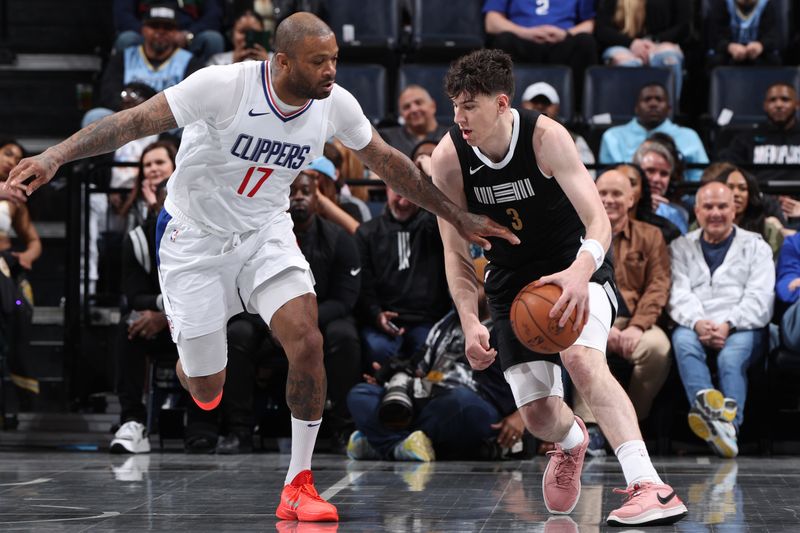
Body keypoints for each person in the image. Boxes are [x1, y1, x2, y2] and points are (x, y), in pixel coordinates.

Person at [4, 12, 515, 523]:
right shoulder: (222, 86)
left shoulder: (333, 104)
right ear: (283, 61)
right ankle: (194, 355)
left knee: (308, 340)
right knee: (206, 390)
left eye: (335, 59)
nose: (331, 71)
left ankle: (299, 482)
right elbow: (131, 123)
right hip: (195, 241)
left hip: (264, 233)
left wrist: (459, 216)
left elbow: (388, 161)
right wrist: (54, 157)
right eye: (319, 62)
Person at [429, 49, 686, 526]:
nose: (459, 116)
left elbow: (598, 221)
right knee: (539, 417)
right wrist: (468, 320)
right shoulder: (447, 159)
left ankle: (648, 484)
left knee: (581, 360)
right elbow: (454, 251)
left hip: (575, 266)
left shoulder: (546, 137)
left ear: (502, 103)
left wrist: (579, 272)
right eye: (455, 105)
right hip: (510, 284)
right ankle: (570, 443)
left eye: (470, 105)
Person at [346, 258, 522, 462]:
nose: (459, 293)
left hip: (474, 402)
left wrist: (522, 417)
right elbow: (418, 368)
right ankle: (401, 446)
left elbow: (537, 377)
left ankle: (381, 442)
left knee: (461, 403)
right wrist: (388, 378)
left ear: (490, 289)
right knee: (360, 394)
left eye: (471, 286)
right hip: (428, 397)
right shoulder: (447, 322)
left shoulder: (510, 327)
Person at [668, 182, 774, 458]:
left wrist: (729, 323)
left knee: (730, 358)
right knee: (683, 342)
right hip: (696, 323)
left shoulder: (756, 246)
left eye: (722, 206)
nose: (716, 212)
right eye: (708, 207)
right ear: (697, 211)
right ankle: (720, 426)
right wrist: (698, 322)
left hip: (743, 326)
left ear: (734, 209)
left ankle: (729, 428)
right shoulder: (680, 246)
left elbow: (760, 297)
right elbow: (678, 292)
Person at [576, 170, 671, 434]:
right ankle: (591, 428)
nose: (608, 200)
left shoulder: (651, 235)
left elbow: (658, 285)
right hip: (588, 316)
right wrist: (605, 327)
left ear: (631, 199)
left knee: (658, 349)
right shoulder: (576, 233)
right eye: (602, 193)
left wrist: (637, 327)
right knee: (579, 347)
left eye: (616, 194)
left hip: (635, 322)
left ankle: (629, 424)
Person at [289, 171, 362, 450]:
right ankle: (238, 430)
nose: (297, 197)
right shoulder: (264, 239)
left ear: (317, 198)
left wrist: (302, 324)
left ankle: (344, 426)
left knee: (344, 335)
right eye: (291, 191)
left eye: (305, 191)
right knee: (238, 333)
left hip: (324, 316)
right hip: (272, 317)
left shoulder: (338, 238)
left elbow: (345, 299)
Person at [355, 185, 452, 366]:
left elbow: (446, 205)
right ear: (387, 190)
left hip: (426, 320)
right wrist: (376, 314)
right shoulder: (367, 233)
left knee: (429, 354)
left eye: (411, 196)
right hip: (383, 322)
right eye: (398, 194)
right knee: (378, 351)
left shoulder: (433, 227)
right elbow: (363, 285)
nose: (404, 202)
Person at [84, 4, 206, 128]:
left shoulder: (189, 61)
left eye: (167, 27)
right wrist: (123, 104)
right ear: (143, 30)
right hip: (127, 120)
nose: (161, 32)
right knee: (94, 116)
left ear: (176, 32)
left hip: (167, 124)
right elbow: (108, 92)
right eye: (154, 26)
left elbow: (192, 100)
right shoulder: (124, 57)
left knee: (195, 124)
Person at [483, 0, 597, 108]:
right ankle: (505, 109)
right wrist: (525, 33)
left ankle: (576, 114)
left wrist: (566, 34)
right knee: (503, 42)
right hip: (522, 39)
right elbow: (491, 22)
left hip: (563, 41)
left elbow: (589, 23)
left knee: (585, 43)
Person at [719, 83, 800, 225]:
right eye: (772, 100)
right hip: (756, 206)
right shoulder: (746, 138)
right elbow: (729, 172)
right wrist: (762, 198)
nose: (779, 105)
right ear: (765, 105)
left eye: (785, 99)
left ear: (797, 104)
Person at [599, 83, 708, 181]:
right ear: (636, 108)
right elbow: (606, 179)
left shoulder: (689, 136)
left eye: (659, 99)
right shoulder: (613, 137)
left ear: (669, 108)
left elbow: (699, 179)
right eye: (647, 99)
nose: (653, 104)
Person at [0, 139, 39, 406]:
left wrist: (26, 255)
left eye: (17, 159)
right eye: (7, 154)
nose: (11, 162)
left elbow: (35, 241)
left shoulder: (15, 200)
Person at [594, 0, 692, 97]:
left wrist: (655, 41)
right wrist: (632, 44)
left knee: (669, 59)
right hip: (622, 44)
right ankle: (626, 110)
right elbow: (602, 29)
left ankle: (669, 110)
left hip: (661, 43)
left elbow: (684, 26)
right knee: (626, 64)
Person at [113, 0, 225, 64]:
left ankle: (205, 90)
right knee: (126, 39)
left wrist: (190, 33)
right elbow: (122, 14)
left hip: (186, 37)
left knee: (213, 39)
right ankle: (126, 92)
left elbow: (213, 15)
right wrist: (148, 32)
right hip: (147, 35)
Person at [520, 82, 595, 176]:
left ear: (557, 107)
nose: (540, 106)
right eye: (534, 102)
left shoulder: (575, 140)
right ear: (524, 104)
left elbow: (589, 176)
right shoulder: (510, 138)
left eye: (546, 103)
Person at [712, 165, 786, 258]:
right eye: (730, 187)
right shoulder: (703, 226)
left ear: (750, 194)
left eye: (742, 188)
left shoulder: (768, 230)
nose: (736, 194)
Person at [631, 140, 690, 233]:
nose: (656, 179)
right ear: (636, 172)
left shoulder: (676, 214)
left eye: (664, 174)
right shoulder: (620, 207)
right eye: (650, 171)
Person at [615, 163, 682, 243]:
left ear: (642, 191)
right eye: (617, 184)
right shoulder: (597, 227)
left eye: (631, 183)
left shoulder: (664, 231)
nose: (623, 189)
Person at [378, 85, 450, 158]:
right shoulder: (384, 139)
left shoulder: (452, 136)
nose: (414, 109)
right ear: (401, 114)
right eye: (406, 107)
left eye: (418, 103)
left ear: (433, 106)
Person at [707, 0, 782, 68]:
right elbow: (716, 36)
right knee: (716, 61)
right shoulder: (723, 4)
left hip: (758, 53)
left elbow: (772, 35)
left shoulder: (767, 5)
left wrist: (761, 45)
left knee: (774, 61)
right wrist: (730, 47)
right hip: (728, 53)